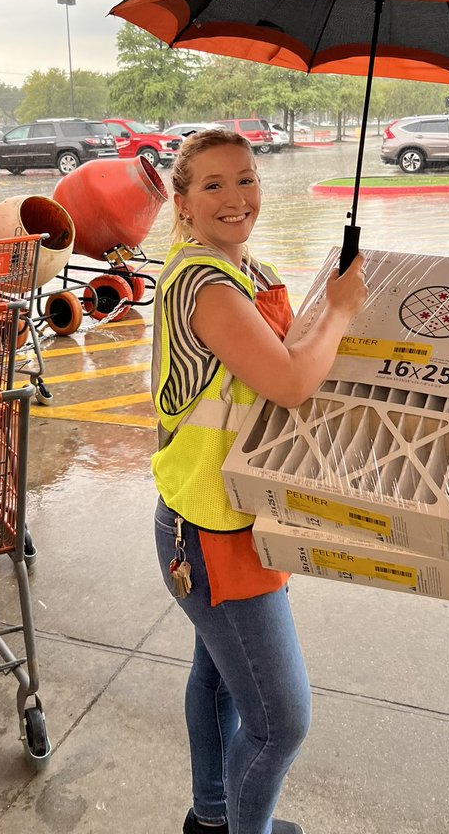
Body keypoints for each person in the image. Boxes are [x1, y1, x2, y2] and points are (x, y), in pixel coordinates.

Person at [150, 128, 367, 834]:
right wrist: (339, 309)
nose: (236, 197)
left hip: (215, 513)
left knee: (217, 678)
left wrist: (328, 310)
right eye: (213, 185)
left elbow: (283, 354)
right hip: (212, 534)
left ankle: (212, 816)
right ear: (182, 203)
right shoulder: (205, 283)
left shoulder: (242, 268)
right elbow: (291, 380)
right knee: (281, 723)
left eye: (246, 178)